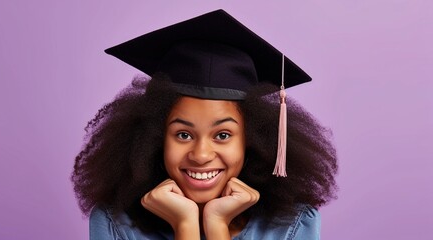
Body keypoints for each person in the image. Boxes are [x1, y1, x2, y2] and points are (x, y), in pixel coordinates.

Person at [72, 9, 338, 240]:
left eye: (222, 134)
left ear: (251, 141)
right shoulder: (116, 224)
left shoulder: (291, 227)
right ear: (154, 140)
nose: (201, 155)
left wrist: (216, 225)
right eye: (183, 134)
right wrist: (186, 224)